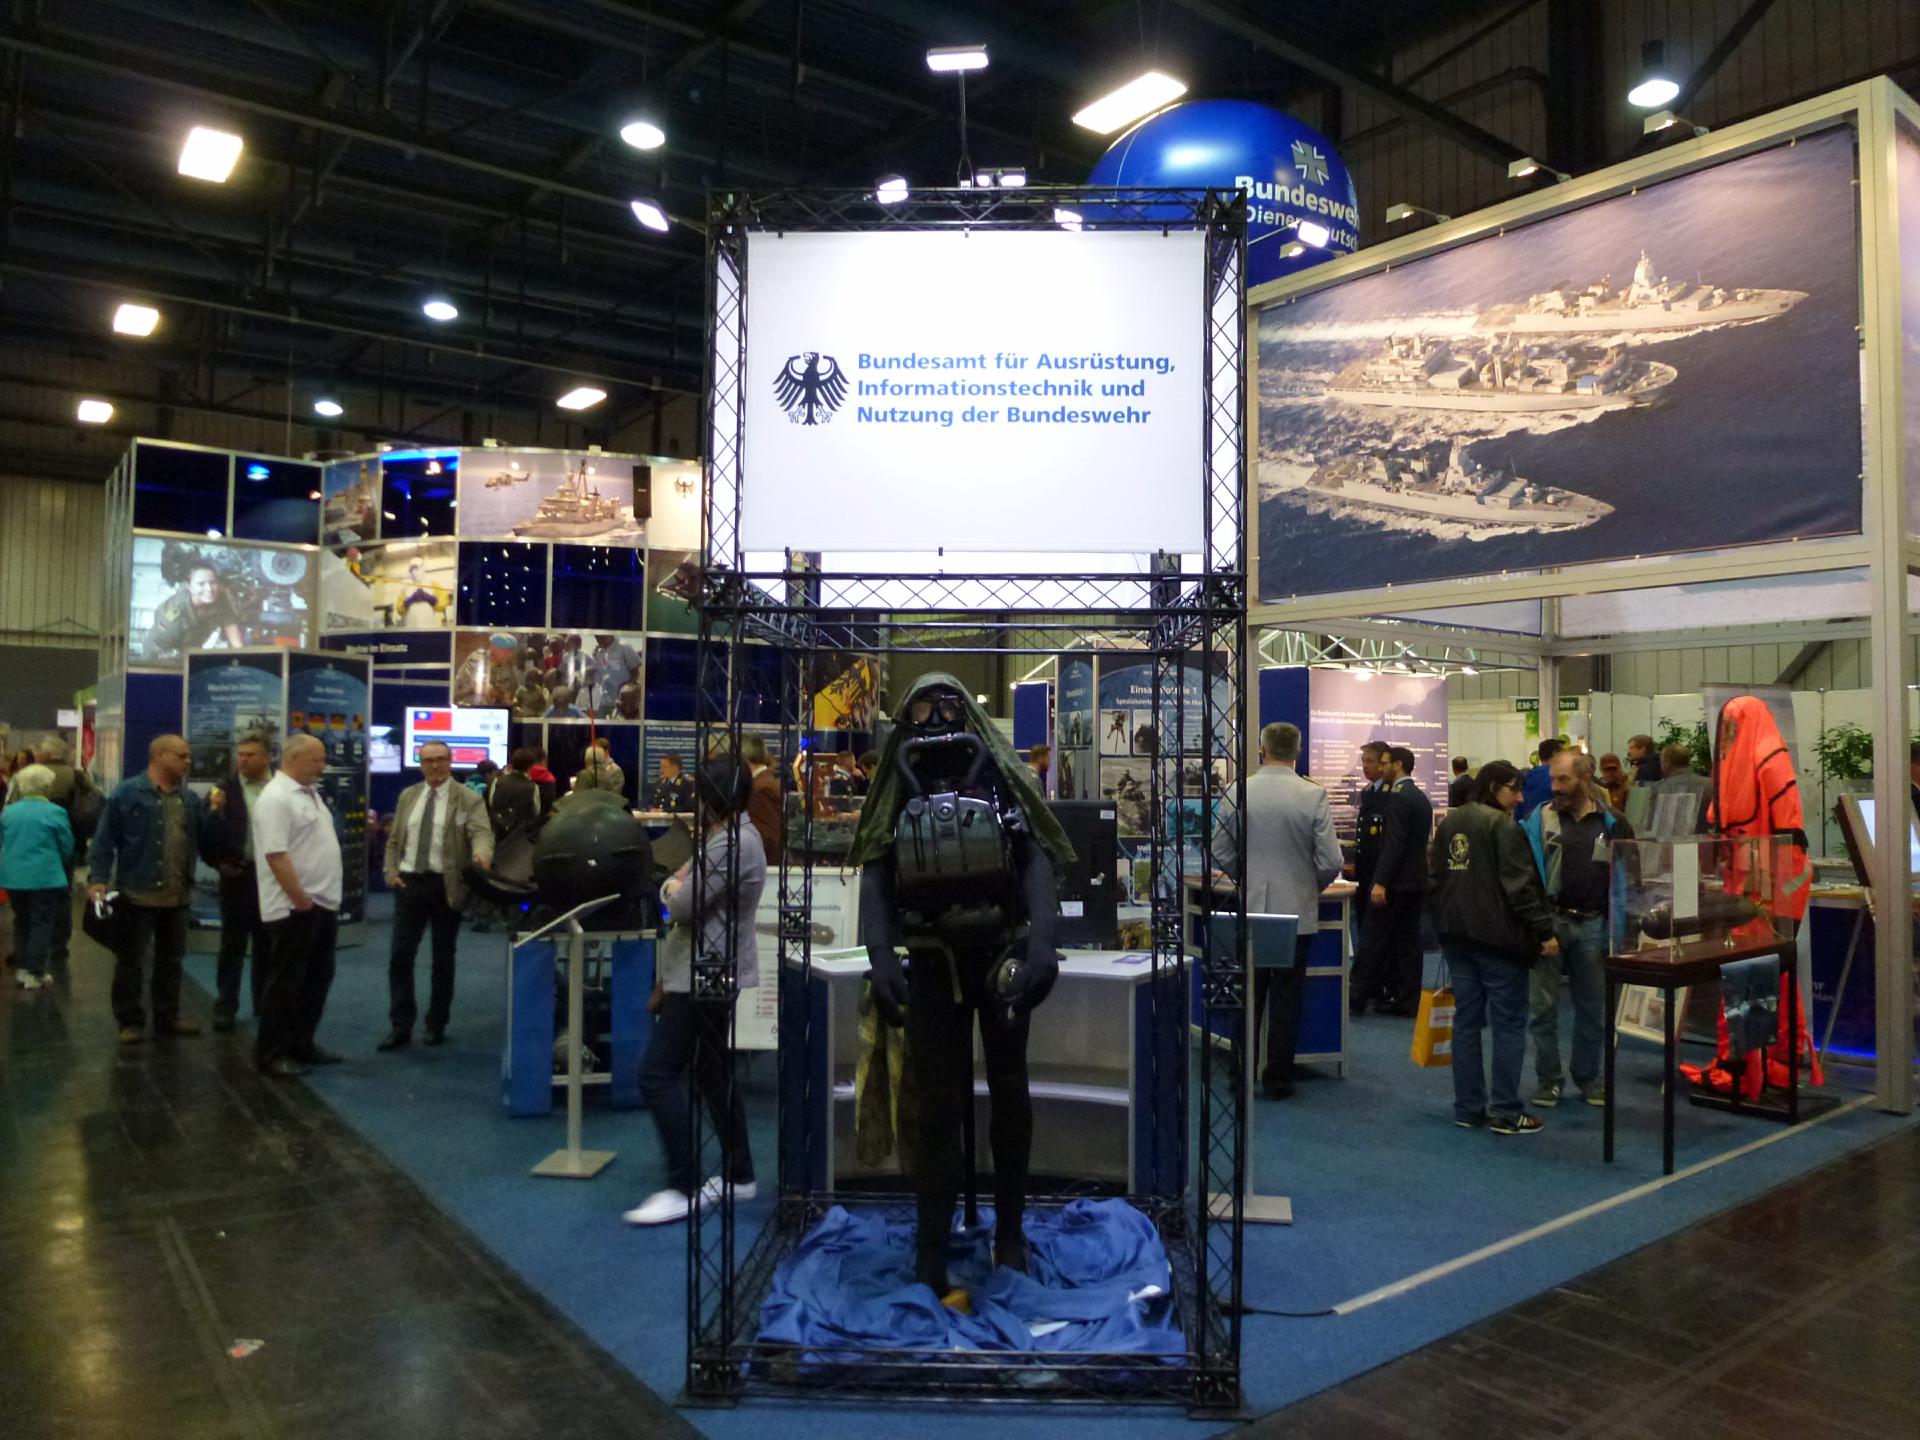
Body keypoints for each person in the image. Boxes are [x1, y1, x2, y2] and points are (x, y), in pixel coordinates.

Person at [844, 674, 1074, 1295]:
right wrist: (881, 955)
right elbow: (876, 870)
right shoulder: (896, 786)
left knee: (1010, 1092)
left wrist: (1042, 944)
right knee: (937, 1107)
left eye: (949, 704)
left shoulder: (1000, 777)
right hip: (931, 963)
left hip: (999, 957)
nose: (938, 718)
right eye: (923, 707)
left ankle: (1010, 1236)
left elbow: (1034, 856)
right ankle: (930, 1249)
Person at [623, 759, 767, 1226]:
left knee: (657, 1073)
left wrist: (669, 888)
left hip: (706, 974)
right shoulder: (728, 838)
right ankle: (739, 1174)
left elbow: (682, 903)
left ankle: (683, 1185)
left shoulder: (731, 842)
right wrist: (678, 884)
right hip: (706, 971)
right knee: (711, 1071)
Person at [1211, 723, 1343, 1099]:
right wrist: (1309, 886)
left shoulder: (1238, 790)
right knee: (1287, 997)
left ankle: (1241, 1074)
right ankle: (1278, 1078)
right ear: (1297, 752)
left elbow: (1219, 851)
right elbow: (1331, 860)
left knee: (1248, 993)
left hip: (1251, 908)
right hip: (1296, 910)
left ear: (1262, 749)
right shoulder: (1312, 794)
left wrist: (1246, 877)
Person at [1428, 760, 1558, 1135]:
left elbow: (1435, 880)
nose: (1520, 798)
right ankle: (1505, 1110)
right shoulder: (1501, 825)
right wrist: (1544, 931)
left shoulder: (1451, 822)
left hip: (1457, 937)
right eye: (1513, 789)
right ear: (1493, 787)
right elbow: (1520, 887)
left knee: (1467, 1022)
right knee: (1508, 1025)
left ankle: (1468, 1108)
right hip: (1498, 940)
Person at [89, 735, 229, 1043]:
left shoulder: (188, 799)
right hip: (136, 894)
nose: (188, 761)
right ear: (160, 756)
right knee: (131, 961)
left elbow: (202, 840)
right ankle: (130, 1021)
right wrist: (97, 878)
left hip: (177, 894)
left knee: (171, 961)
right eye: (182, 755)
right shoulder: (127, 793)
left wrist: (214, 813)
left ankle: (167, 1016)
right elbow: (104, 839)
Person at [1520, 749, 1632, 1108]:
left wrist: (1620, 931)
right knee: (1542, 1008)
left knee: (1593, 1009)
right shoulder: (1539, 820)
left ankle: (1588, 1077)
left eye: (1563, 779)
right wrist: (1538, 928)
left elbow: (1628, 877)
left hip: (1594, 925)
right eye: (1553, 779)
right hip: (1549, 923)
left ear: (1585, 779)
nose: (1555, 787)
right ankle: (1548, 1079)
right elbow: (1525, 878)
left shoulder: (1613, 823)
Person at [379, 740, 495, 1050]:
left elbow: (481, 833)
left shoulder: (468, 798)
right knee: (400, 956)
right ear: (420, 764)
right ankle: (401, 1024)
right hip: (409, 884)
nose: (435, 765)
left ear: (450, 761)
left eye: (440, 759)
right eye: (428, 760)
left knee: (442, 958)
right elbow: (394, 841)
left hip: (447, 886)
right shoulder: (408, 796)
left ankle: (436, 1022)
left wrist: (482, 856)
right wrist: (391, 872)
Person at [252, 735, 344, 1077]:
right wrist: (301, 901)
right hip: (295, 908)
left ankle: (302, 1043)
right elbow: (276, 856)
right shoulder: (276, 798)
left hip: (320, 904)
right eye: (315, 759)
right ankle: (271, 1053)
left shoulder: (309, 793)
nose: (322, 765)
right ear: (292, 758)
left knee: (316, 979)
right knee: (286, 983)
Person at [1351, 745, 1433, 1017]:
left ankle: (1357, 994)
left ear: (1397, 765)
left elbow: (1394, 844)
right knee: (1408, 942)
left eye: (1384, 763)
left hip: (1395, 882)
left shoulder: (1398, 797)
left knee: (1373, 937)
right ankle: (1406, 999)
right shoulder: (1417, 796)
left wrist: (1381, 881)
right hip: (1414, 881)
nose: (1381, 768)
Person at [210, 734, 274, 1032]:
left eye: (251, 754)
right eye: (241, 754)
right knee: (232, 945)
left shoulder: (280, 788)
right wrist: (219, 864)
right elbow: (207, 832)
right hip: (238, 876)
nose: (244, 760)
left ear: (267, 757)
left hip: (273, 877)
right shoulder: (224, 789)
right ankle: (226, 1005)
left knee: (267, 944)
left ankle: (264, 1003)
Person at [20, 733, 95, 967]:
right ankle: (59, 942)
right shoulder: (76, 775)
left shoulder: (32, 776)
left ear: (46, 753)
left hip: (31, 844)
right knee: (63, 894)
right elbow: (93, 801)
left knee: (29, 898)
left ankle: (29, 945)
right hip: (67, 839)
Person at [0, 764, 76, 991]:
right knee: (41, 922)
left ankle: (22, 968)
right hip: (45, 877)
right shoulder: (55, 813)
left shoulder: (8, 813)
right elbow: (67, 846)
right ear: (46, 787)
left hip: (13, 877)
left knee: (21, 920)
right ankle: (36, 972)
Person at [143, 561, 245, 659]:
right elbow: (160, 649)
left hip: (192, 648)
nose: (209, 589)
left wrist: (242, 658)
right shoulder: (173, 615)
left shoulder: (220, 597)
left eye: (212, 582)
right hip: (159, 654)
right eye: (201, 584)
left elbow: (231, 627)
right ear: (189, 586)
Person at [1350, 740, 1390, 946]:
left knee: (1379, 931)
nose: (1365, 766)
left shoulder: (1391, 794)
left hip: (1379, 872)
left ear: (1383, 764)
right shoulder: (1367, 791)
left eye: (1370, 761)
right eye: (1363, 761)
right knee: (1364, 925)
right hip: (1364, 871)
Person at [738, 733, 784, 866]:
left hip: (764, 867)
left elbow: (768, 838)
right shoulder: (764, 783)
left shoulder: (762, 789)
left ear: (743, 757)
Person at [1649, 742, 1712, 834]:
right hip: (1704, 839)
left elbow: (1651, 822)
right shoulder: (1709, 784)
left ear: (1667, 762)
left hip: (1668, 840)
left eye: (1661, 761)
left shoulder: (1658, 788)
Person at [589, 633, 642, 718]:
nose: (597, 640)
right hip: (602, 700)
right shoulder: (598, 651)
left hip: (621, 703)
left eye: (600, 637)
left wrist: (626, 698)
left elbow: (635, 673)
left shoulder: (625, 647)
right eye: (596, 637)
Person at [1514, 736, 1561, 821]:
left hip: (1524, 824)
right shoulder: (1557, 777)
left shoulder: (1526, 776)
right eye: (1564, 753)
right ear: (1555, 753)